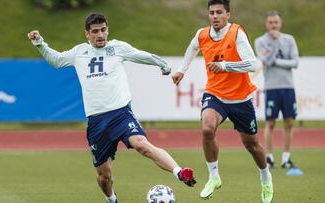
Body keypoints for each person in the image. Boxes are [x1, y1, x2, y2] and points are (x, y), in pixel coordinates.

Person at [28, 13, 196, 203]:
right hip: (97, 122)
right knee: (104, 177)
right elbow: (57, 60)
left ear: (107, 30)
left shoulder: (117, 48)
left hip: (120, 114)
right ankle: (111, 199)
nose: (100, 35)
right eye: (95, 32)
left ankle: (180, 172)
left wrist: (164, 66)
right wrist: (40, 43)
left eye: (103, 30)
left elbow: (142, 55)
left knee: (142, 144)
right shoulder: (79, 52)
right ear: (87, 34)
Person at [171, 0, 273, 202]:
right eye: (211, 13)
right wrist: (181, 71)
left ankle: (265, 177)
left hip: (241, 98)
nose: (215, 16)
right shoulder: (202, 34)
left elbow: (253, 64)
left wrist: (226, 65)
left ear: (228, 15)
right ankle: (214, 177)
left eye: (219, 12)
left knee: (252, 145)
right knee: (207, 129)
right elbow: (192, 49)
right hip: (215, 94)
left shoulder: (236, 33)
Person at [255, 11, 299, 169]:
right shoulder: (260, 41)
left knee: (289, 122)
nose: (274, 25)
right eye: (271, 22)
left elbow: (295, 62)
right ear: (266, 24)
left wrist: (276, 60)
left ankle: (286, 158)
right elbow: (265, 60)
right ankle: (269, 157)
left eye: (276, 22)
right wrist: (274, 44)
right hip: (272, 87)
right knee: (270, 123)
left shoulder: (289, 39)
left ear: (280, 23)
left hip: (288, 87)